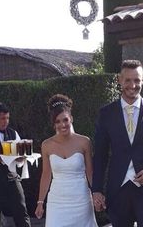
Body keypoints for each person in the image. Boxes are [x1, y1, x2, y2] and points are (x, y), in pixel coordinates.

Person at [91, 59, 143, 227]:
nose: (133, 85)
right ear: (119, 80)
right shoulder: (106, 113)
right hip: (118, 189)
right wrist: (97, 190)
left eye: (137, 80)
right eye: (128, 80)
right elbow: (99, 155)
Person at [35, 94, 98, 227]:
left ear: (71, 119)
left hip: (81, 199)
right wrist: (40, 202)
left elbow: (90, 172)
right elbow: (46, 174)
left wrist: (97, 194)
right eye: (57, 121)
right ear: (53, 124)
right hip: (57, 201)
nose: (62, 125)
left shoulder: (84, 142)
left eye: (65, 120)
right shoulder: (46, 145)